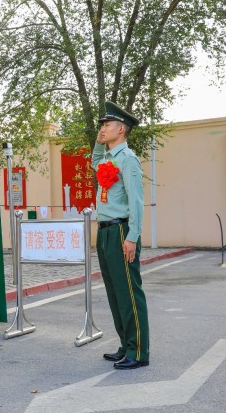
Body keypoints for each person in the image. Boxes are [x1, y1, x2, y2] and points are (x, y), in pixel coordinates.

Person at [92, 101, 149, 370]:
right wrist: (98, 140)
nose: (102, 128)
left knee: (129, 292)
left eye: (107, 125)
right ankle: (125, 344)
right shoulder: (106, 158)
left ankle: (138, 351)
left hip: (121, 231)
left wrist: (132, 236)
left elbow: (136, 201)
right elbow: (94, 162)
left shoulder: (128, 160)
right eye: (101, 125)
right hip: (104, 232)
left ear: (122, 129)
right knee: (115, 292)